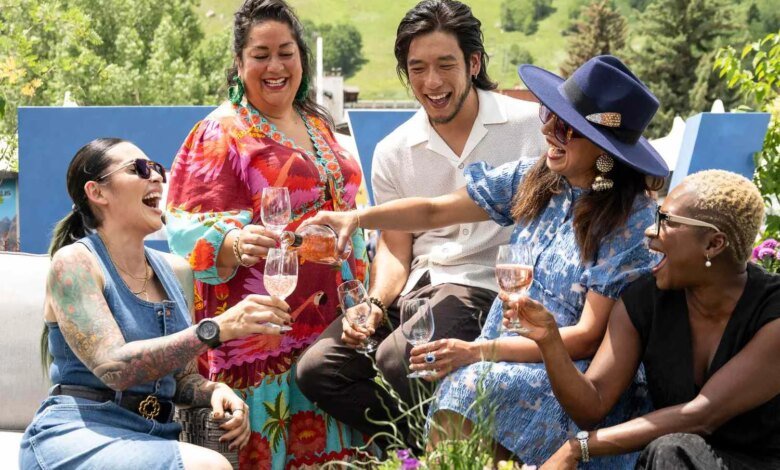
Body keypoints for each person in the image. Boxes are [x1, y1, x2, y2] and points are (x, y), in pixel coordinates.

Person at [304, 55, 670, 467]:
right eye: (549, 115)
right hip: (506, 350)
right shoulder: (538, 179)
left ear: (604, 148)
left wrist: (478, 351)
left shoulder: (631, 222)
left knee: (470, 386)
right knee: (461, 385)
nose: (547, 130)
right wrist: (356, 218)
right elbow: (434, 211)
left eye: (565, 127)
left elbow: (587, 336)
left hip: (568, 369)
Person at [295, 0, 546, 451]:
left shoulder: (529, 126)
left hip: (486, 288)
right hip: (417, 289)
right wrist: (374, 304)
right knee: (319, 370)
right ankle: (438, 452)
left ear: (473, 63)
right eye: (417, 69)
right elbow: (396, 249)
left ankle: (452, 452)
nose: (432, 82)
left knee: (399, 360)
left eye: (445, 65)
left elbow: (436, 211)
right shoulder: (394, 150)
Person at [164, 0, 369, 467]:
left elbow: (347, 209)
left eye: (285, 53)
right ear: (239, 64)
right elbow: (183, 226)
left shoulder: (317, 124)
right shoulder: (220, 132)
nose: (275, 67)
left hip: (334, 323)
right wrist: (233, 242)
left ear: (302, 59)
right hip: (263, 336)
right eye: (260, 55)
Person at [18, 138, 292, 470]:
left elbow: (181, 379)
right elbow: (114, 368)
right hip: (80, 431)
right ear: (97, 192)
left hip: (154, 433)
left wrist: (213, 390)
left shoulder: (172, 271)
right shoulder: (74, 264)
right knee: (209, 466)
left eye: (158, 168)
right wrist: (217, 328)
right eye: (139, 169)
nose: (158, 176)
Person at [514, 170, 780, 470]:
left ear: (713, 244)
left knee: (670, 449)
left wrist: (579, 447)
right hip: (675, 460)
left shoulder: (773, 312)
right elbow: (592, 405)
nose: (650, 231)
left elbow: (703, 415)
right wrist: (550, 340)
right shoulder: (644, 301)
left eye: (667, 221)